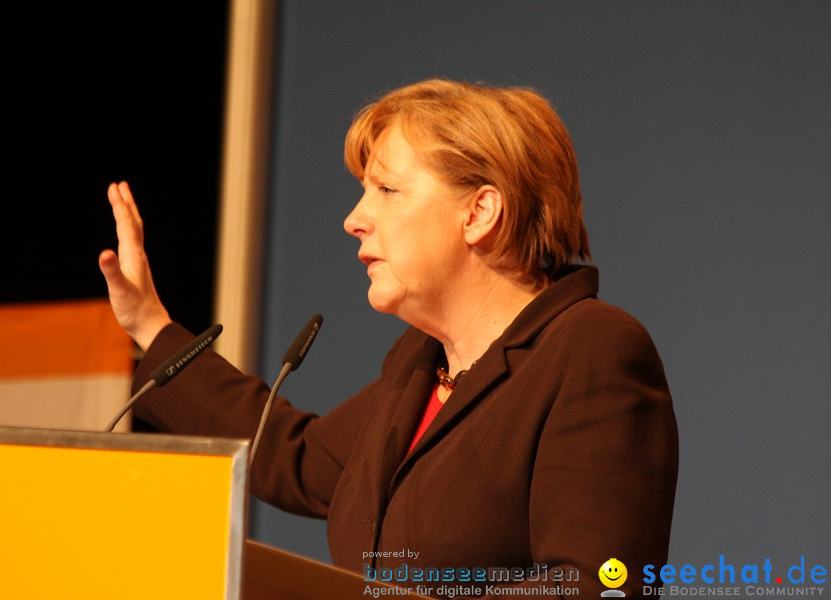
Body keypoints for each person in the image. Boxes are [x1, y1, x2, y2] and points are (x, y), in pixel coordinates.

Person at [99, 78, 678, 599]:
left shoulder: (591, 352)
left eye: (387, 190)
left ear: (479, 212)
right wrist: (151, 327)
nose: (354, 218)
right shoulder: (418, 366)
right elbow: (295, 457)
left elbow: (600, 583)